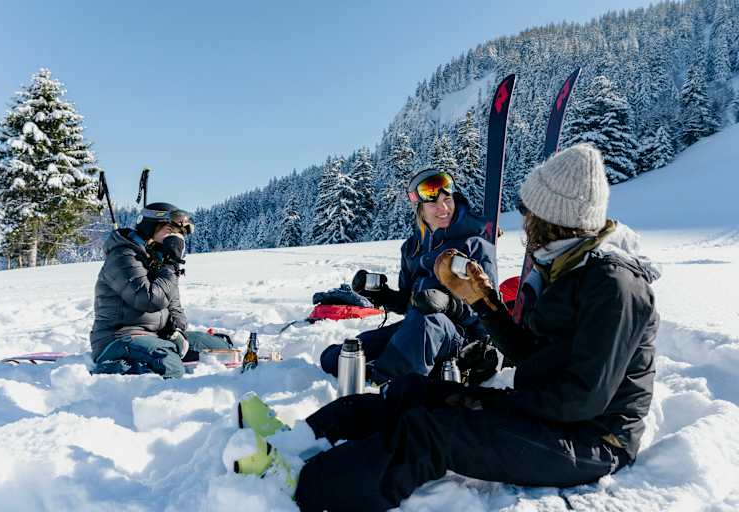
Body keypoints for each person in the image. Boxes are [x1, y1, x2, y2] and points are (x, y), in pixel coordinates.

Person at [229, 143, 660, 512]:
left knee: (431, 431)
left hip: (593, 441)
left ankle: (302, 488)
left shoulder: (615, 285)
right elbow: (527, 353)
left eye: (531, 215)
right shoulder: (564, 264)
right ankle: (300, 438)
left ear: (556, 218)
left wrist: (482, 408)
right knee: (407, 392)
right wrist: (485, 302)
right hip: (550, 412)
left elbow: (580, 402)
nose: (524, 223)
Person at [319, 165, 499, 384]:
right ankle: (383, 369)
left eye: (448, 200)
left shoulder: (475, 245)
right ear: (420, 208)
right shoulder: (412, 248)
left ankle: (386, 384)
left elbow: (490, 311)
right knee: (339, 357)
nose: (443, 208)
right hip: (418, 328)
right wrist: (383, 295)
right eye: (433, 202)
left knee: (427, 323)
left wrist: (449, 304)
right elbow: (409, 304)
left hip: (465, 339)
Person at [90, 202, 232, 378]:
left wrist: (177, 331)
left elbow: (174, 305)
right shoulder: (123, 256)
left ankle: (155, 357)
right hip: (118, 338)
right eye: (170, 231)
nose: (176, 238)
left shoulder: (157, 259)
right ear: (151, 227)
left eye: (179, 234)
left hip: (155, 336)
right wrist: (171, 265)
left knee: (219, 348)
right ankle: (117, 370)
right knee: (169, 363)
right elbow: (149, 300)